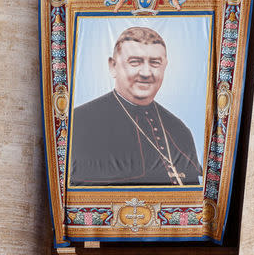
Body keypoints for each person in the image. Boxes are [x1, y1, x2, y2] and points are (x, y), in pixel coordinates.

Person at [69, 27, 202, 186]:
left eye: (155, 63)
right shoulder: (78, 123)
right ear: (113, 66)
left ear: (164, 66)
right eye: (135, 62)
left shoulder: (179, 130)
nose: (146, 72)